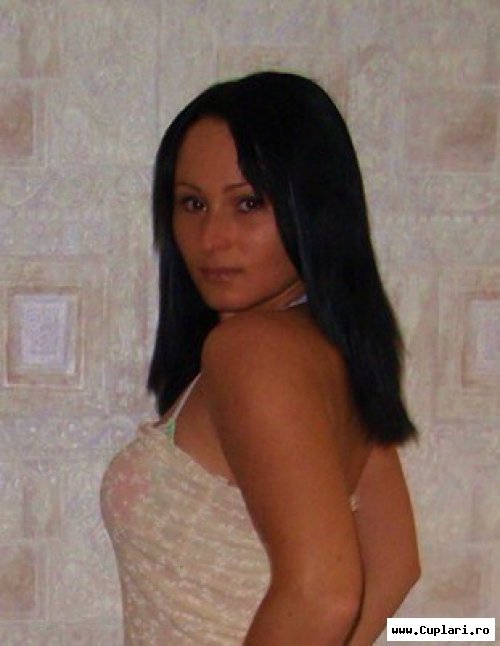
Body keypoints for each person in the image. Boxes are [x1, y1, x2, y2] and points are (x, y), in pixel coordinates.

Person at [100, 71, 420, 645]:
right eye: (192, 203)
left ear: (311, 207)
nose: (212, 237)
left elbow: (325, 595)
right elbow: (394, 564)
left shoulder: (252, 351)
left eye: (248, 203)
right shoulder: (332, 352)